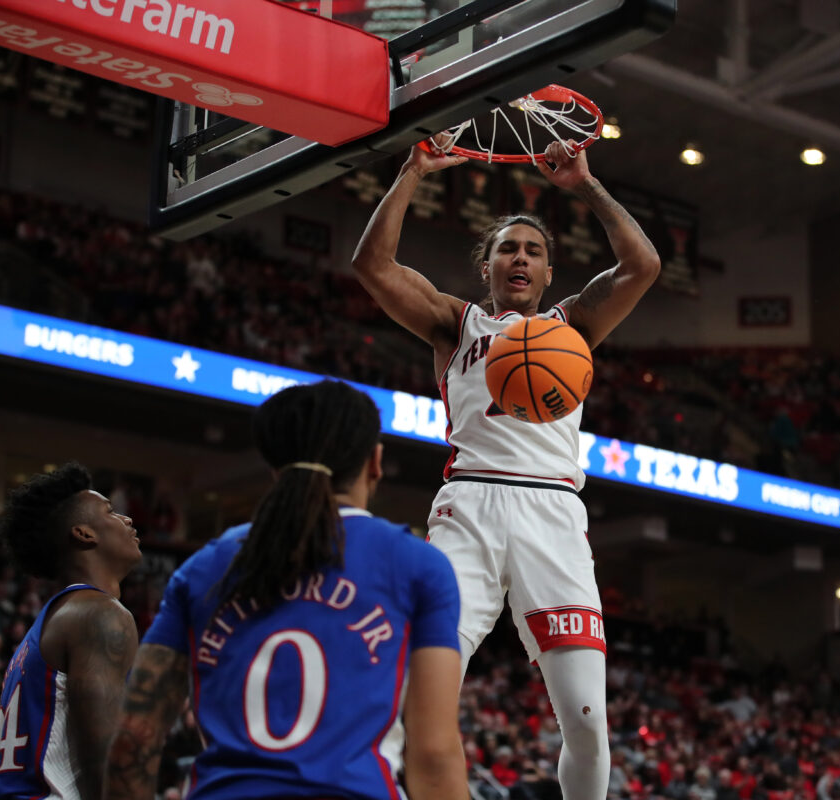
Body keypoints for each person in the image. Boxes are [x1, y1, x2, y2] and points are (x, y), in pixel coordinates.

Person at [351, 138, 661, 800]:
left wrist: (586, 187)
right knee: (412, 691)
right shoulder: (454, 325)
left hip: (552, 514)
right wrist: (411, 173)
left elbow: (643, 266)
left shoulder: (572, 323)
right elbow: (372, 265)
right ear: (486, 266)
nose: (520, 257)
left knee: (587, 723)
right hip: (468, 509)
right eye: (508, 249)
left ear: (549, 273)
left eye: (534, 251)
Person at [106, 379, 466, 800]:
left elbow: (132, 740)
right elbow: (435, 755)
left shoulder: (202, 569)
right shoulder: (418, 564)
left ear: (275, 466)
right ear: (375, 462)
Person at [0, 462, 142, 800]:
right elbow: (108, 766)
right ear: (84, 532)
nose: (127, 519)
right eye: (111, 512)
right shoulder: (99, 614)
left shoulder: (51, 621)